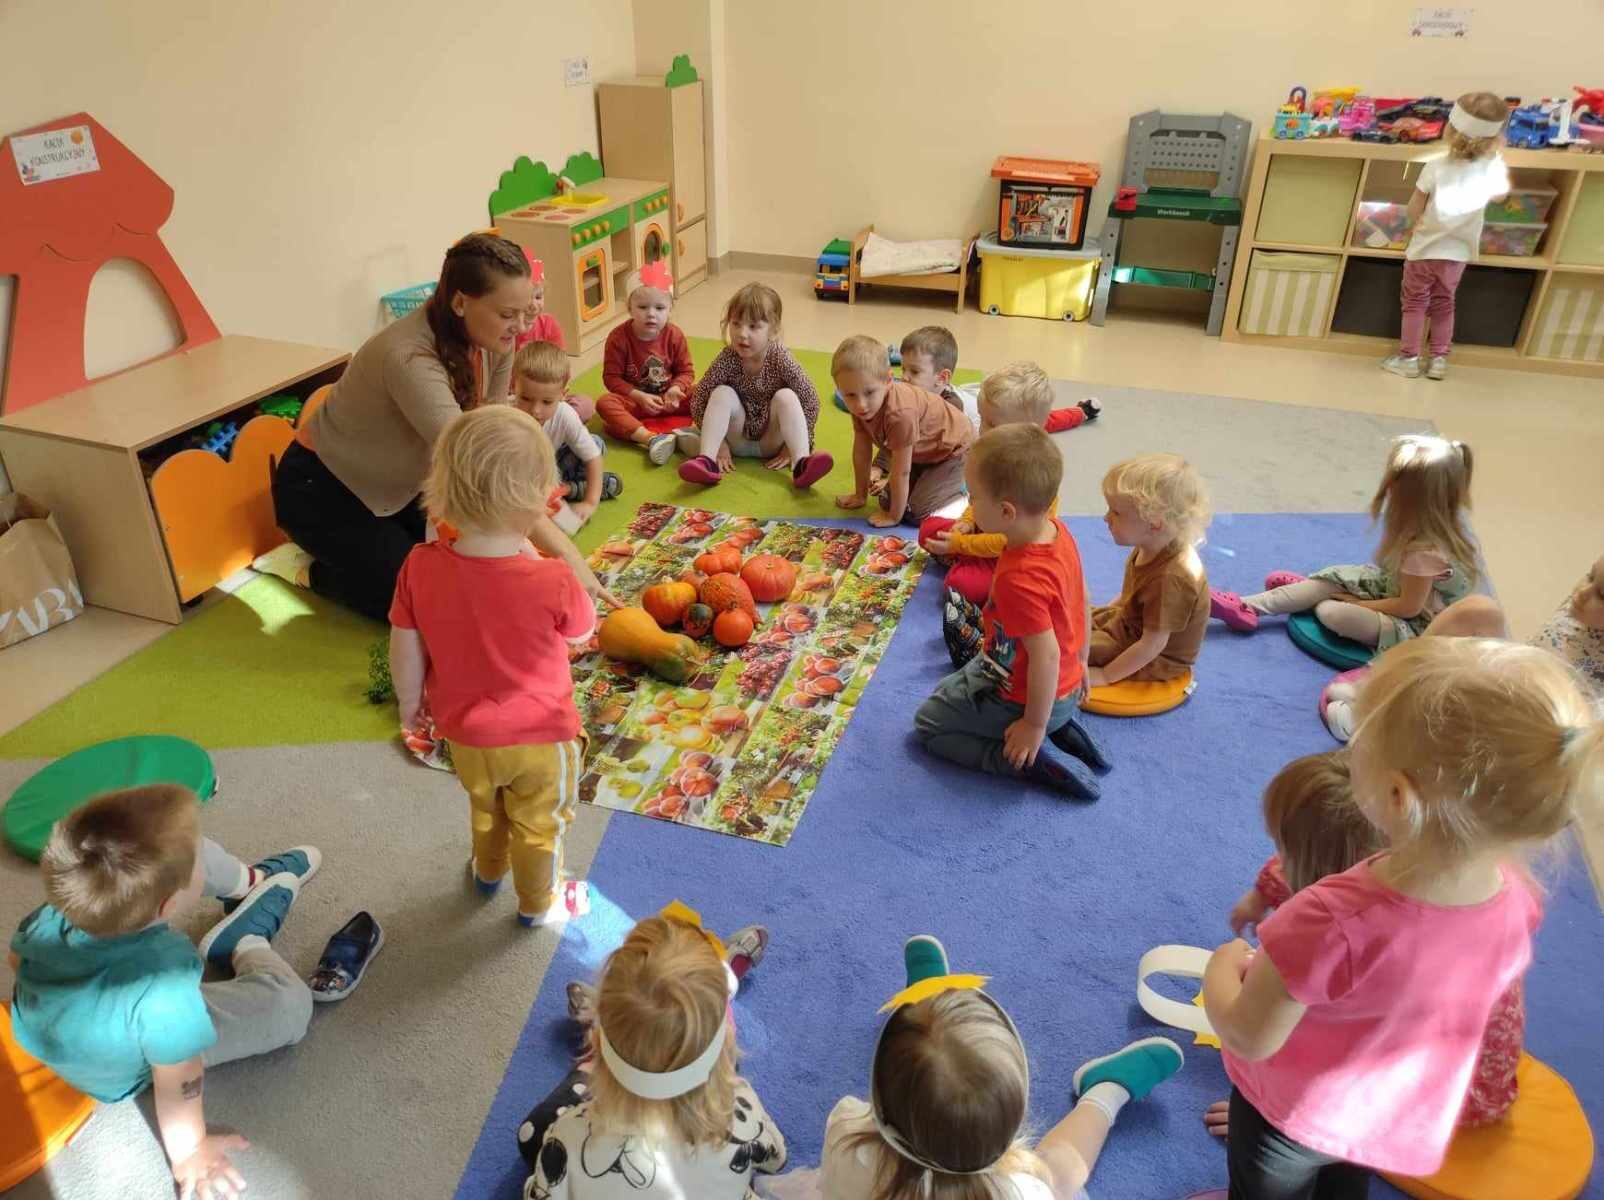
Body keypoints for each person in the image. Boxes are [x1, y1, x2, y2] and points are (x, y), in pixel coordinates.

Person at [1203, 637, 1601, 1195]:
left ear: (1396, 795)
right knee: (1344, 1182)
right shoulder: (1517, 898)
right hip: (1381, 1117)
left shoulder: (1327, 918)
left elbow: (1249, 1035)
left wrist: (1221, 968)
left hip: (1292, 1113)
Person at [262, 232, 614, 622]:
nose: (520, 325)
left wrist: (531, 512)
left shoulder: (495, 339)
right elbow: (481, 465)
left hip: (400, 486)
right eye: (507, 314)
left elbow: (494, 434)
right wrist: (567, 555)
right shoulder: (408, 357)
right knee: (420, 602)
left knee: (472, 564)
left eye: (523, 311)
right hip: (321, 491)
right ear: (460, 302)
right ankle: (303, 568)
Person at [8, 785, 321, 1200]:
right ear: (168, 907)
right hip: (129, 1063)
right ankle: (247, 942)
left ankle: (251, 881)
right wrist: (190, 1152)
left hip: (42, 1025)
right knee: (290, 1006)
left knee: (181, 851)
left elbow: (16, 959)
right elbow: (179, 1077)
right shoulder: (164, 984)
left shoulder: (54, 911)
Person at [1212, 750, 1524, 1138]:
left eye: (1284, 847)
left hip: (1430, 1101)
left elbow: (1253, 1036)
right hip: (1465, 1064)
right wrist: (1260, 895)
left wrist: (1259, 1116)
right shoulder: (1438, 877)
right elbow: (1297, 871)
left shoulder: (1346, 938)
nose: (1278, 861)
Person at [388, 406, 594, 927]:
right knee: (540, 824)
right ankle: (539, 903)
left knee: (487, 808)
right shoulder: (553, 578)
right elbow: (581, 631)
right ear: (540, 501)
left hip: (466, 735)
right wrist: (542, 563)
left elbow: (404, 644)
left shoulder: (419, 565)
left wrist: (410, 704)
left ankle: (487, 869)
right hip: (542, 737)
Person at [812, 935, 1182, 1200]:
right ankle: (1105, 1090)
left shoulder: (845, 1133)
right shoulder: (1020, 1191)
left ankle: (924, 1009)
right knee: (1055, 1173)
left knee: (927, 1066)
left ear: (880, 1101)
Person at [518, 910, 787, 1199]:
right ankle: (723, 988)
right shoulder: (740, 1110)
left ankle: (604, 1037)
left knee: (532, 1134)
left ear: (595, 1041)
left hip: (597, 1123)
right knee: (693, 1043)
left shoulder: (568, 1137)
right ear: (727, 1042)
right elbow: (776, 1159)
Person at [913, 424, 1103, 799]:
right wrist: (1081, 660)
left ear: (1005, 511)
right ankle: (1060, 726)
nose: (969, 501)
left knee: (930, 723)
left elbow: (1046, 656)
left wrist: (1033, 725)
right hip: (1061, 684)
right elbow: (1082, 598)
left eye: (973, 495)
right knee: (947, 690)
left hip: (1030, 698)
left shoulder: (1020, 578)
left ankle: (1021, 759)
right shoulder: (1058, 530)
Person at [1209, 434, 1476, 648]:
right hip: (1391, 589)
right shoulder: (1426, 529)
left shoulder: (1424, 551)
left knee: (1331, 612)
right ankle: (1245, 606)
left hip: (1418, 626)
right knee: (1328, 582)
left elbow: (1408, 608)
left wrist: (1355, 603)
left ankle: (1308, 600)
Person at [1321, 552, 1604, 740]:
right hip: (1520, 678)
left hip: (1539, 727)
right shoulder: (1582, 606)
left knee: (1457, 696)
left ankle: (1375, 721)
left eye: (1601, 594)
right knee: (1479, 610)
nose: (1582, 592)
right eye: (1590, 575)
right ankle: (1379, 686)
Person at [1382, 92, 1510, 382]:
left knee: (1414, 303)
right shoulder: (1491, 167)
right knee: (1444, 303)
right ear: (1493, 138)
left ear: (1449, 129)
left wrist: (1415, 225)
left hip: (1425, 250)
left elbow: (1414, 207)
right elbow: (1500, 196)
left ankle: (1409, 359)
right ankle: (1439, 360)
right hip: (1457, 254)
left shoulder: (1436, 165)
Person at [919, 361, 1058, 608]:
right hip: (980, 531)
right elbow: (976, 497)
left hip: (1006, 554)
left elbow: (1004, 542)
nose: (982, 429)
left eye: (992, 424)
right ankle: (960, 558)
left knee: (958, 586)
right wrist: (966, 522)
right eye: (982, 419)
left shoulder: (1034, 475)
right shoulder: (990, 452)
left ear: (1029, 429)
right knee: (928, 529)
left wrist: (961, 545)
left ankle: (962, 562)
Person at [677, 283, 832, 489]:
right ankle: (707, 460)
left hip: (772, 441)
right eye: (736, 324)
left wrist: (791, 447)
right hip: (737, 439)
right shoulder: (728, 357)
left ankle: (801, 464)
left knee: (787, 396)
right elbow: (699, 399)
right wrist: (721, 444)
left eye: (753, 326)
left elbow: (810, 400)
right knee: (721, 393)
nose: (742, 334)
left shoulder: (780, 357)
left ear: (773, 330)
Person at [1086, 454, 1211, 687]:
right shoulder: (1152, 543)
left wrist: (1106, 675)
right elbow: (1132, 596)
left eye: (1116, 512)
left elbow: (1152, 645)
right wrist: (1103, 615)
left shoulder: (1171, 578)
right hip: (1131, 624)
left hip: (1156, 658)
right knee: (1078, 616)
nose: (1105, 518)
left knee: (1073, 651)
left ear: (1154, 523)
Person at [834, 336, 974, 528]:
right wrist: (860, 495)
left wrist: (894, 517)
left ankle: (963, 497)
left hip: (955, 452)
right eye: (850, 395)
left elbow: (902, 471)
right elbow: (861, 450)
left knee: (917, 514)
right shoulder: (862, 405)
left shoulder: (900, 413)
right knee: (886, 501)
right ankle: (928, 484)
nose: (861, 405)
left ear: (888, 381)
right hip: (922, 454)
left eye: (869, 393)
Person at [513, 340, 621, 533]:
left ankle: (574, 489)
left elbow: (593, 457)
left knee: (595, 445)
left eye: (547, 402)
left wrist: (590, 503)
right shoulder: (506, 416)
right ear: (514, 387)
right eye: (525, 398)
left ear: (563, 395)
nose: (535, 410)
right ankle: (574, 489)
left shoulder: (565, 414)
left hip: (555, 468)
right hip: (522, 477)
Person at [594, 266, 696, 465]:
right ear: (629, 308)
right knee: (605, 403)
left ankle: (693, 432)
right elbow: (611, 378)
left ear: (670, 309)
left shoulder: (674, 335)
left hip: (670, 401)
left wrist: (676, 389)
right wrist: (638, 396)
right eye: (642, 307)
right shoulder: (618, 338)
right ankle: (651, 439)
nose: (651, 314)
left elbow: (686, 371)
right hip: (636, 403)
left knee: (709, 390)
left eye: (659, 308)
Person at [511, 253, 594, 422]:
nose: (533, 305)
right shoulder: (507, 330)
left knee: (585, 405)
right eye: (527, 298)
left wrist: (558, 393)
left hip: (549, 395)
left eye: (538, 297)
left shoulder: (549, 324)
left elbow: (562, 364)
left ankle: (550, 421)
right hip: (520, 397)